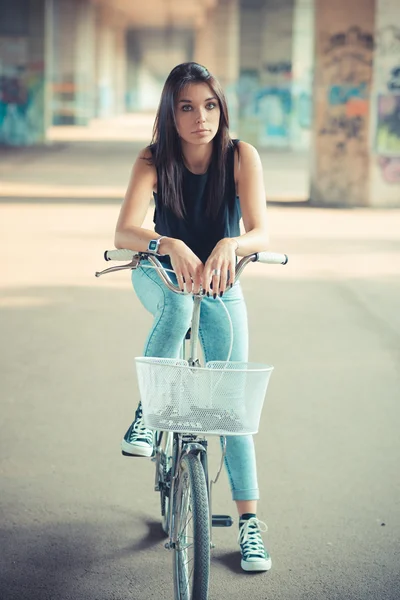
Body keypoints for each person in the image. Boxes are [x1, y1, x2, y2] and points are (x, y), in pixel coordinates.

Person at [114, 62, 271, 572]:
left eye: (209, 105)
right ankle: (148, 412)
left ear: (220, 108)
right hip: (160, 274)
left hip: (220, 282)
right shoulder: (153, 158)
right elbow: (125, 232)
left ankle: (249, 526)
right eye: (186, 107)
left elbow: (260, 232)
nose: (200, 117)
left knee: (232, 404)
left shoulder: (240, 156)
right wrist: (170, 243)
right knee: (179, 303)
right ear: (171, 113)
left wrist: (232, 243)